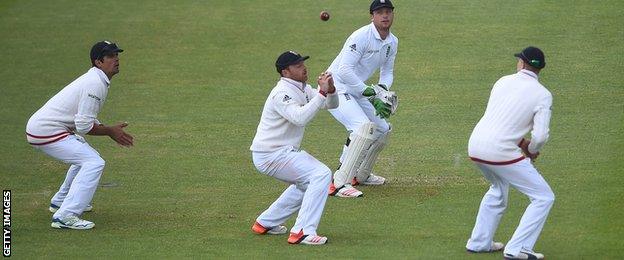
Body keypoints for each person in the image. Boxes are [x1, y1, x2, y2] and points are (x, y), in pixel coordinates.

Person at [26, 40, 133, 230]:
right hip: (45, 131)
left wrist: (108, 130)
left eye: (117, 55)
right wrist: (110, 131)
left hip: (47, 128)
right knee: (94, 162)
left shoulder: (97, 79)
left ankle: (61, 201)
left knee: (87, 156)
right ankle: (66, 215)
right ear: (98, 62)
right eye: (110, 56)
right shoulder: (95, 83)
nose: (116, 59)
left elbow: (83, 119)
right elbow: (83, 126)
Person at [465, 46, 554, 260]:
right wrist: (531, 150)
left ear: (521, 63)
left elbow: (501, 120)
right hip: (500, 151)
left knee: (498, 187)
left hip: (476, 145)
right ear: (540, 69)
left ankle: (479, 242)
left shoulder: (502, 81)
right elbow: (540, 136)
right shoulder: (543, 95)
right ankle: (517, 249)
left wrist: (522, 143)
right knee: (543, 197)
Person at [249, 51, 338, 245]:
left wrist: (330, 90)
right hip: (270, 154)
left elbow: (331, 105)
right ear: (285, 72)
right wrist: (322, 93)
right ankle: (302, 232)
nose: (303, 68)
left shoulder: (303, 88)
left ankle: (266, 222)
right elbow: (300, 117)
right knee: (321, 174)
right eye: (297, 66)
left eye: (302, 63)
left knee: (308, 183)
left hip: (280, 152)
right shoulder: (281, 93)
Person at [326, 0, 399, 197]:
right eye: (380, 12)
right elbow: (344, 70)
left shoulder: (392, 42)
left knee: (383, 129)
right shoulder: (361, 36)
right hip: (335, 88)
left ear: (393, 14)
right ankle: (338, 183)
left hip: (358, 89)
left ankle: (361, 174)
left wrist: (381, 90)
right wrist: (369, 92)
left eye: (388, 12)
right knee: (361, 128)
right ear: (372, 16)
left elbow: (387, 72)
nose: (385, 15)